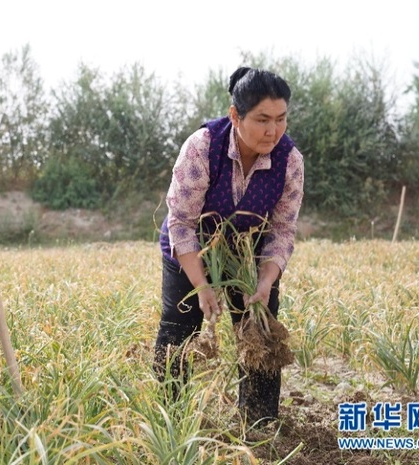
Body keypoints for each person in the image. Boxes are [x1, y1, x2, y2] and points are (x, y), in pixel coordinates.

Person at [154, 67, 304, 425]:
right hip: (192, 245)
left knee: (260, 329)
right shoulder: (203, 147)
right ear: (235, 115)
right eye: (262, 119)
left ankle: (260, 422)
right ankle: (171, 418)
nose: (273, 130)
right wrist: (202, 285)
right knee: (178, 328)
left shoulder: (290, 161)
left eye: (281, 119)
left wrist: (266, 281)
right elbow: (182, 222)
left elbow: (282, 230)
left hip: (248, 248)